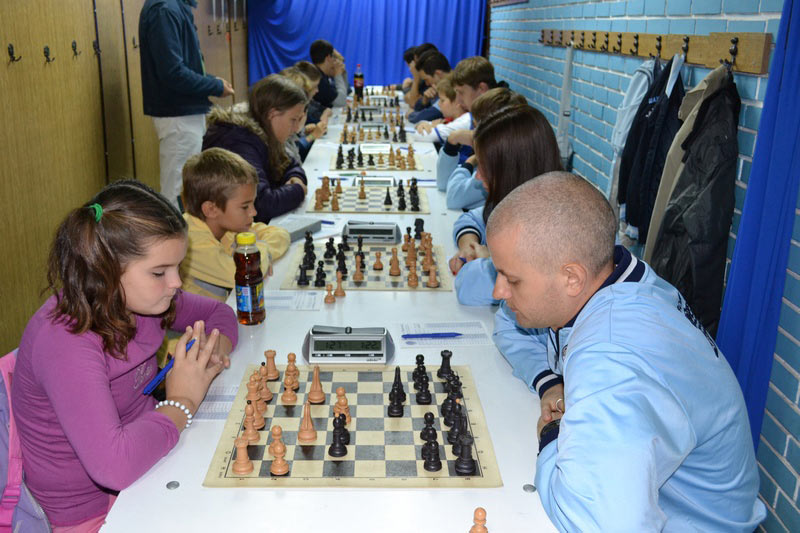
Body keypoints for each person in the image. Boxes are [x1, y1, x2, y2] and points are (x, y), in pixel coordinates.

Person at [485, 172, 766, 531]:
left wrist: (553, 434)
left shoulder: (612, 355)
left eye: (512, 279)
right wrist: (551, 382)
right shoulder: (622, 278)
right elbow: (508, 322)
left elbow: (598, 523)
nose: (498, 291)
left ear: (572, 278)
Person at [11, 180, 238, 531]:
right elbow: (113, 467)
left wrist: (211, 352)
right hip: (89, 512)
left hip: (149, 463)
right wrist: (182, 401)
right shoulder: (65, 340)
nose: (176, 283)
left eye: (177, 267)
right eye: (160, 272)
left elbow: (219, 314)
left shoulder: (145, 300)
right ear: (106, 271)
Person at [448, 104, 562, 305]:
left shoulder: (549, 228)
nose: (477, 176)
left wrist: (487, 262)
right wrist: (469, 244)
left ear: (510, 169)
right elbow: (472, 217)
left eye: (484, 167)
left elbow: (468, 287)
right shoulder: (518, 199)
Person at [139, 0, 235, 209]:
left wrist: (213, 81)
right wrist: (214, 86)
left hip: (184, 113)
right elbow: (172, 73)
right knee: (177, 193)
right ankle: (175, 231)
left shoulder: (174, 7)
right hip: (178, 116)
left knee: (185, 189)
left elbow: (185, 67)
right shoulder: (165, 9)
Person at [181, 148, 290, 302]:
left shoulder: (225, 226)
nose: (254, 212)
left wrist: (261, 253)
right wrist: (259, 252)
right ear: (211, 209)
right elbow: (246, 275)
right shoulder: (191, 243)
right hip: (199, 318)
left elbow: (280, 234)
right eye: (245, 207)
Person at [203, 74, 309, 223]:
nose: (297, 128)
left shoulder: (265, 132)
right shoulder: (238, 141)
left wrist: (296, 178)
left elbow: (290, 164)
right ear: (272, 114)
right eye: (293, 119)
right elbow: (260, 204)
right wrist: (298, 190)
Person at [437, 87, 526, 209]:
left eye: (476, 126)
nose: (473, 131)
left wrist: (469, 162)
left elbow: (453, 199)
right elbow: (443, 185)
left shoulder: (499, 165)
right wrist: (451, 144)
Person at [414, 74, 471, 145]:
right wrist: (423, 124)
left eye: (442, 100)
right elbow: (418, 124)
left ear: (457, 102)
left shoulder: (462, 122)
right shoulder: (449, 119)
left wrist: (431, 126)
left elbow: (419, 135)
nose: (438, 104)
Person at [407, 51, 450, 124]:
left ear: (437, 74)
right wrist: (424, 101)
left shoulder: (452, 88)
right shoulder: (439, 87)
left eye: (426, 79)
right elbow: (417, 108)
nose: (427, 84)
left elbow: (421, 117)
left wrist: (411, 114)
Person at [310, 40, 346, 109]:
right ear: (329, 58)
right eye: (334, 57)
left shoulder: (321, 75)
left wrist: (343, 73)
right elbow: (341, 102)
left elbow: (345, 93)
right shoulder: (319, 80)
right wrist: (338, 75)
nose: (335, 61)